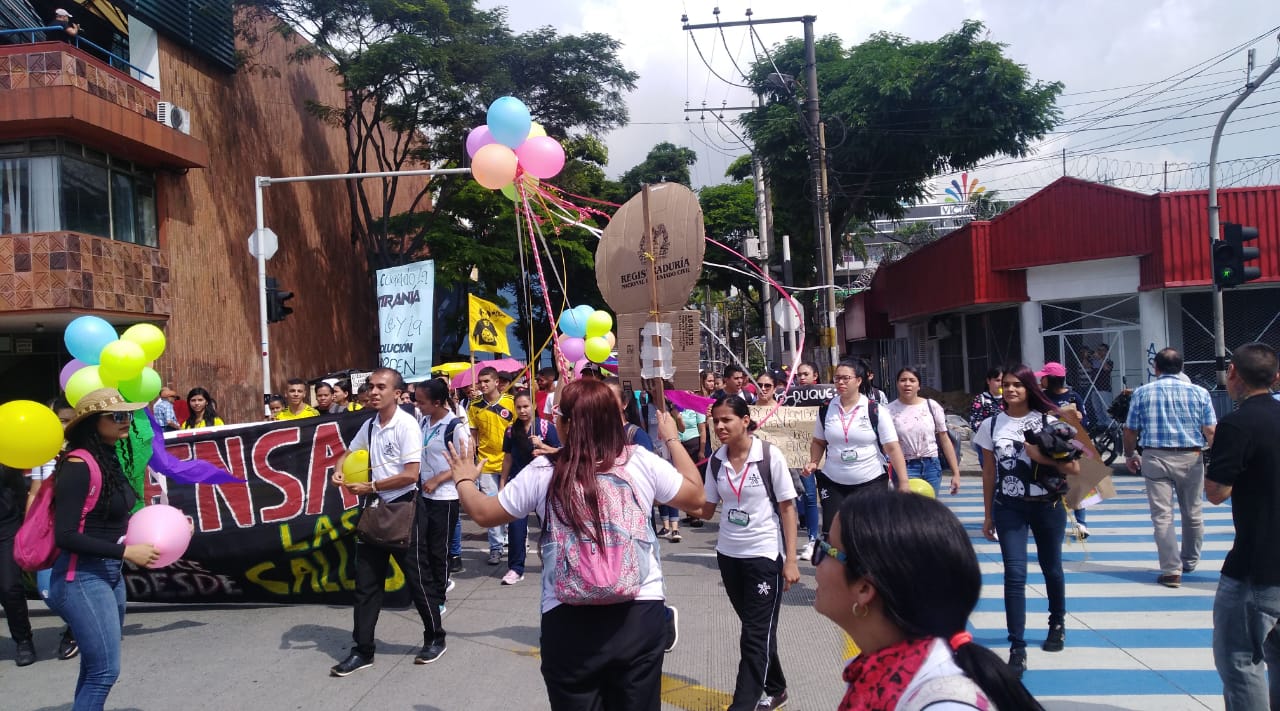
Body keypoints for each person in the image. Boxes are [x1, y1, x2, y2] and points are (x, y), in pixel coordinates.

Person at [445, 378, 706, 710]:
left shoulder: (544, 470)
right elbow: (696, 497)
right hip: (638, 612)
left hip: (567, 619)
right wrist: (670, 436)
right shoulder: (638, 459)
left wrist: (465, 479)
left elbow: (483, 513)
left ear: (565, 424)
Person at [815, 490, 1044, 711]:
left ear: (864, 588)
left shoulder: (944, 703)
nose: (816, 562)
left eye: (827, 550)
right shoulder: (874, 668)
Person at [45, 389, 160, 709]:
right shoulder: (78, 465)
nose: (126, 421)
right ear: (94, 423)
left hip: (108, 575)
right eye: (118, 416)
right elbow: (64, 535)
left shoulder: (109, 457)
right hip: (80, 576)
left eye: (128, 415)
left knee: (95, 667)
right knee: (105, 671)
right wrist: (125, 553)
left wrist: (168, 526)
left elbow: (115, 519)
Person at [329, 368, 441, 676]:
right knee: (366, 584)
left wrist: (372, 486)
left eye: (382, 387)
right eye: (371, 386)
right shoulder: (369, 425)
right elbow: (347, 454)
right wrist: (338, 471)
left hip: (404, 510)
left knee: (419, 580)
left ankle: (435, 637)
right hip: (374, 511)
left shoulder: (406, 425)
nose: (374, 391)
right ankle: (362, 649)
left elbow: (410, 474)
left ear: (397, 393)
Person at [692, 396, 799, 711]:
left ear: (746, 420)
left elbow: (788, 507)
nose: (720, 426)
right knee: (758, 629)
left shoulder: (768, 456)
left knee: (754, 634)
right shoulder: (716, 460)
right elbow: (707, 509)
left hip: (764, 556)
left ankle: (743, 704)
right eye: (716, 421)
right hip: (728, 556)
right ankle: (776, 687)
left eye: (727, 420)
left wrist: (790, 559)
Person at [975, 364, 1081, 677]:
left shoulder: (1049, 421)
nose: (1010, 390)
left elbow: (1074, 470)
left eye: (1017, 385)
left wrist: (1041, 457)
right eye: (1006, 385)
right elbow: (989, 473)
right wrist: (988, 514)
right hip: (1010, 507)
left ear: (1029, 388)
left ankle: (1057, 622)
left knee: (1052, 568)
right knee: (1015, 573)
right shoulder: (991, 425)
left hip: (1047, 505)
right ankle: (1017, 646)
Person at [1203, 342, 1280, 710]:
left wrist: (1215, 451)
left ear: (1232, 373)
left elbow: (1216, 492)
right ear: (1276, 377)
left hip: (1256, 565)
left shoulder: (1236, 424)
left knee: (1239, 660)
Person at [1122, 348, 1216, 588]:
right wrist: (1217, 461)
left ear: (1156, 368)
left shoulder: (1142, 393)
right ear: (1181, 367)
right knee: (1193, 513)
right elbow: (1211, 430)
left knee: (1162, 516)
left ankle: (1171, 570)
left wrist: (1130, 454)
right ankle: (1190, 561)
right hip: (1191, 456)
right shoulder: (1200, 393)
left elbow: (1130, 429)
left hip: (1155, 456)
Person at [803, 359, 909, 536]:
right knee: (833, 535)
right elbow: (819, 441)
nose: (840, 383)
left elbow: (892, 447)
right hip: (833, 482)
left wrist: (903, 482)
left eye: (846, 378)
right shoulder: (826, 408)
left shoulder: (874, 410)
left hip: (871, 481)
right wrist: (813, 462)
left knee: (870, 533)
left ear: (858, 381)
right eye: (837, 379)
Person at [24, 399, 79, 663]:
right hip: (48, 532)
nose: (66, 426)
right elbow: (35, 491)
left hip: (80, 533)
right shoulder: (43, 451)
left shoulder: (87, 451)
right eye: (61, 420)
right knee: (48, 591)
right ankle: (79, 623)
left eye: (71, 420)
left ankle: (76, 631)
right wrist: (28, 531)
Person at [415, 378, 470, 634]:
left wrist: (438, 478)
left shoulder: (455, 426)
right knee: (424, 547)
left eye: (422, 402)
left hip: (445, 496)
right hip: (424, 494)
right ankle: (433, 587)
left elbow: (466, 460)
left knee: (440, 548)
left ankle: (439, 597)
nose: (418, 405)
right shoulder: (423, 421)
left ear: (437, 402)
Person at [498, 391, 561, 585]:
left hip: (543, 483)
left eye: (526, 406)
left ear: (533, 406)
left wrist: (541, 446)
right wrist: (502, 483)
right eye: (519, 407)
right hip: (519, 483)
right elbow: (507, 458)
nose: (523, 411)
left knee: (549, 527)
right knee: (516, 528)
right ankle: (515, 568)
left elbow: (560, 452)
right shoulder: (510, 431)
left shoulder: (545, 427)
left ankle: (555, 565)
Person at [1038, 362, 1093, 537]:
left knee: (1077, 482)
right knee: (1050, 482)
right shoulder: (1041, 397)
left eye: (1044, 377)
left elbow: (1085, 422)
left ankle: (1081, 523)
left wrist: (1079, 417)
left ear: (1051, 379)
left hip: (1072, 445)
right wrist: (1055, 414)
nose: (1041, 380)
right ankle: (1049, 519)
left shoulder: (1073, 396)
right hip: (1048, 445)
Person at [888, 367, 961, 496]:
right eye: (903, 380)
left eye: (912, 380)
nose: (907, 384)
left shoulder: (931, 406)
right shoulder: (888, 411)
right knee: (907, 510)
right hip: (904, 467)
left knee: (930, 511)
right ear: (897, 384)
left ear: (919, 385)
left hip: (931, 466)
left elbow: (945, 440)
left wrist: (956, 473)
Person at [468, 366, 515, 566]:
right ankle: (495, 547)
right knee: (490, 505)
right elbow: (473, 436)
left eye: (487, 381)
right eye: (481, 381)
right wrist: (472, 459)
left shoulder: (511, 403)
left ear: (497, 382)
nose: (483, 385)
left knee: (514, 503)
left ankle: (515, 542)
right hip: (486, 463)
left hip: (510, 461)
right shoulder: (474, 406)